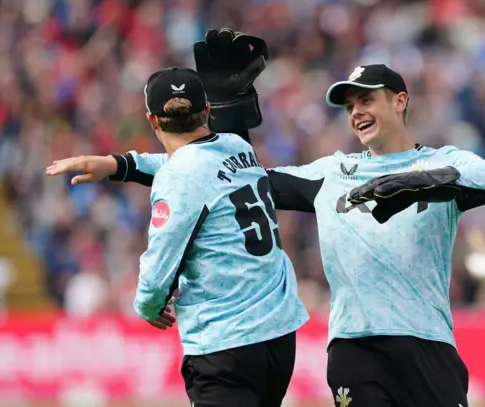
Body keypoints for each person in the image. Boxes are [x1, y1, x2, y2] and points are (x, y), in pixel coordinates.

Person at [47, 29, 485, 407]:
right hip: (355, 347)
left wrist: (417, 180)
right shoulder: (332, 173)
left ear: (400, 100)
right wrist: (122, 165)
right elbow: (224, 175)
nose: (356, 111)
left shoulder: (442, 161)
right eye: (349, 104)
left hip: (428, 343)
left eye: (367, 99)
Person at [48, 66, 309, 407]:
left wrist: (147, 305)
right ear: (206, 112)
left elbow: (158, 270)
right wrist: (116, 164)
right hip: (278, 334)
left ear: (152, 120)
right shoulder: (236, 146)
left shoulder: (179, 178)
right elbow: (190, 162)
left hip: (225, 343)